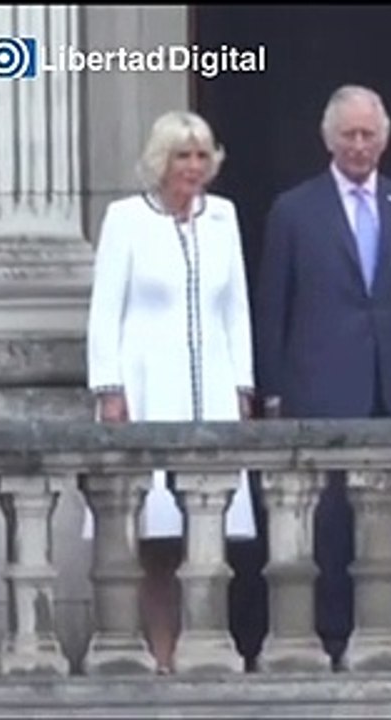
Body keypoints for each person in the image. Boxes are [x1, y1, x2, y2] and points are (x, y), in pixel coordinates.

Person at [254, 85, 391, 670]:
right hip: (321, 388)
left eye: (368, 135)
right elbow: (274, 306)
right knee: (330, 521)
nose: (359, 145)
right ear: (329, 139)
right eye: (349, 135)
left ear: (384, 139)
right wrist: (272, 392)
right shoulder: (294, 210)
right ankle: (334, 634)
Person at [85, 110, 257, 674]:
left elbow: (236, 308)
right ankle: (161, 651)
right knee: (156, 530)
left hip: (211, 384)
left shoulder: (222, 217)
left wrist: (243, 385)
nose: (193, 166)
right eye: (183, 155)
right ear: (162, 161)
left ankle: (205, 645)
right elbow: (105, 310)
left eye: (202, 155)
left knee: (208, 528)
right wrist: (109, 389)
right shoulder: (127, 219)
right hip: (147, 385)